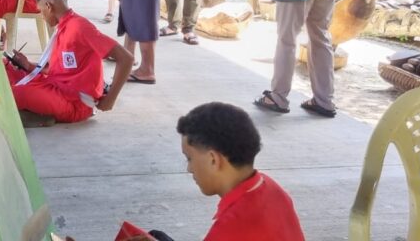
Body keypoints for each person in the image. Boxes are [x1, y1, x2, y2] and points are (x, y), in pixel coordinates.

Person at [103, 103, 306, 241]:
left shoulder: (230, 228)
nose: (189, 168)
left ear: (213, 159)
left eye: (190, 158)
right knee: (155, 235)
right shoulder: (269, 187)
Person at [3, 0, 133, 124]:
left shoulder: (79, 27)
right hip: (54, 85)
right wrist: (28, 65)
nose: (42, 16)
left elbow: (126, 58)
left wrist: (110, 99)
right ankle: (36, 111)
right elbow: (60, 71)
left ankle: (37, 113)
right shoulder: (63, 27)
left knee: (13, 94)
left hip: (74, 102)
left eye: (41, 11)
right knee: (3, 67)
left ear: (48, 6)